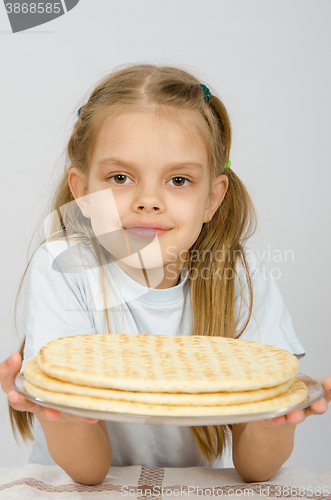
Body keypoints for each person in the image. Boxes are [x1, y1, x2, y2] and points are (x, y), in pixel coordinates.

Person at [0, 63, 330, 486]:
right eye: (120, 177)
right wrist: (60, 416)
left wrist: (276, 417)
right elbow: (89, 474)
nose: (148, 200)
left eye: (178, 179)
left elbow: (256, 470)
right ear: (82, 193)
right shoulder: (64, 268)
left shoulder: (240, 278)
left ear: (212, 198)